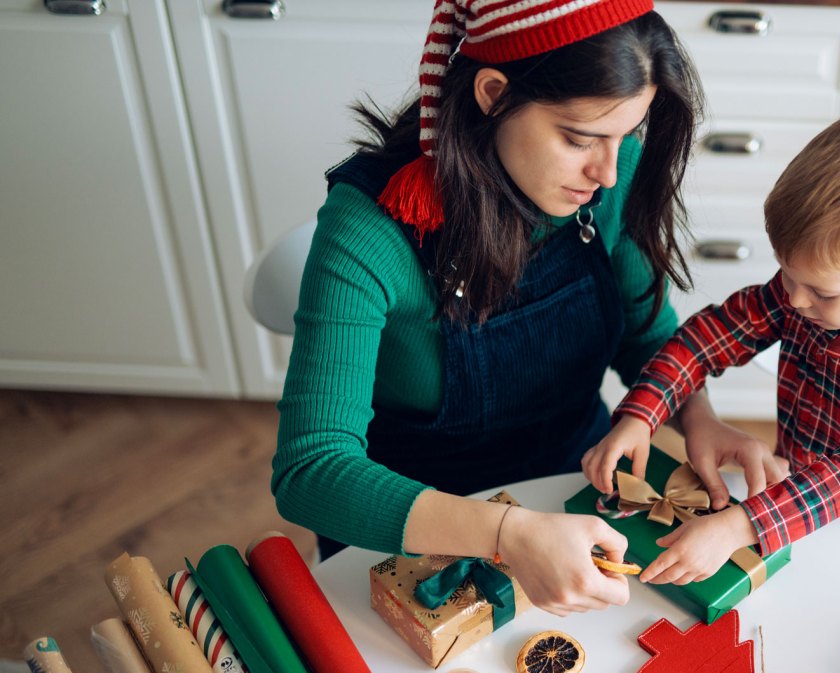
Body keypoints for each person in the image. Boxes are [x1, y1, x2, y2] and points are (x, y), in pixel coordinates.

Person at [272, 0, 760, 616]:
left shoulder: (611, 175)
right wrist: (507, 533)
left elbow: (646, 337)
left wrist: (699, 418)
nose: (607, 173)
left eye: (625, 135)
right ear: (494, 94)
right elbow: (311, 471)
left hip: (576, 487)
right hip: (412, 526)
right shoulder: (367, 231)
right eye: (579, 138)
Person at [582, 112, 840, 586]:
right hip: (794, 504)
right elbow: (703, 342)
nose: (796, 299)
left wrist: (736, 526)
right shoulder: (803, 292)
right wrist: (644, 413)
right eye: (787, 273)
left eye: (822, 292)